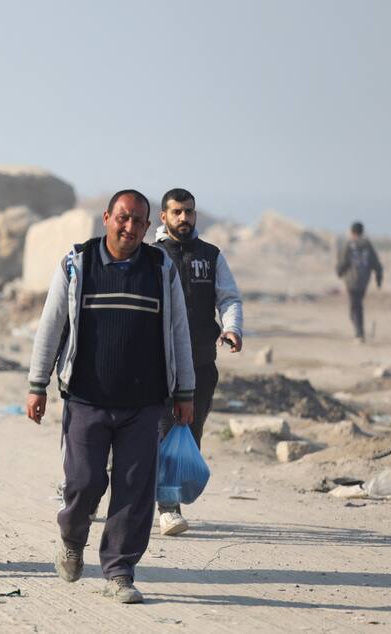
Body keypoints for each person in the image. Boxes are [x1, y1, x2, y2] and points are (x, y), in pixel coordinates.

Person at [26, 189, 195, 604]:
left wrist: (185, 390)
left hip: (145, 401)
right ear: (105, 218)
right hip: (86, 397)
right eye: (123, 218)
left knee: (134, 489)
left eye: (139, 221)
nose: (130, 227)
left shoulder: (161, 268)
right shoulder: (77, 264)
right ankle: (72, 536)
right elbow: (51, 326)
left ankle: (119, 571)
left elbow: (178, 332)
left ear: (148, 224)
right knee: (83, 482)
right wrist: (37, 384)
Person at [153, 188, 243, 536]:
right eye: (176, 212)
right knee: (162, 430)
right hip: (160, 365)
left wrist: (232, 328)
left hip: (203, 361)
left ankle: (165, 493)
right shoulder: (151, 256)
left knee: (190, 432)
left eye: (188, 212)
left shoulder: (211, 255)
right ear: (164, 217)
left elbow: (229, 297)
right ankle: (168, 507)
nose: (183, 218)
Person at [336, 221, 383, 343]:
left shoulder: (349, 244)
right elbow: (376, 263)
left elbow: (343, 261)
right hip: (363, 281)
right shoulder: (367, 245)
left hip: (351, 281)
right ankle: (359, 332)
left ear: (352, 232)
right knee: (357, 305)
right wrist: (379, 277)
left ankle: (359, 334)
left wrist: (339, 271)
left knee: (355, 307)